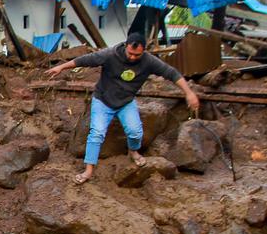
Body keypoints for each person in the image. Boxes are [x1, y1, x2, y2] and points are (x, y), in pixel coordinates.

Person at [47, 32, 201, 184]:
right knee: (97, 133)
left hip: (125, 102)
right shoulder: (110, 54)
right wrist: (61, 67)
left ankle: (133, 151)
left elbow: (172, 73)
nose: (133, 57)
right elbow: (84, 60)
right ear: (126, 46)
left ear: (144, 51)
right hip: (103, 100)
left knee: (135, 131)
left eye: (137, 55)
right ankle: (88, 170)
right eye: (130, 53)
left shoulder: (149, 61)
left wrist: (189, 93)